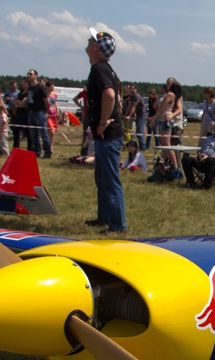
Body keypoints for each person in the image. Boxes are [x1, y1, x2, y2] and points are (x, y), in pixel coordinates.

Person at [85, 28, 126, 233]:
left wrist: (102, 122)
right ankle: (104, 217)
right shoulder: (104, 68)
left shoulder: (99, 69)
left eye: (91, 39)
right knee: (102, 179)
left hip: (108, 134)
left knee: (109, 180)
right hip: (106, 135)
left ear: (96, 47)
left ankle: (118, 224)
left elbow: (109, 96)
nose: (88, 40)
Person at [181, 118, 215, 189]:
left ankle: (206, 185)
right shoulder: (208, 138)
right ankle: (191, 182)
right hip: (202, 160)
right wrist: (198, 155)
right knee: (186, 159)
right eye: (214, 125)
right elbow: (201, 151)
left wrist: (208, 157)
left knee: (209, 160)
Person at [24, 69, 51, 158]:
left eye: (30, 74)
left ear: (36, 75)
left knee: (43, 134)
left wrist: (44, 112)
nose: (28, 75)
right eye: (28, 74)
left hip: (39, 113)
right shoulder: (29, 88)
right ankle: (37, 152)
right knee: (34, 135)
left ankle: (47, 153)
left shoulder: (40, 88)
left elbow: (47, 102)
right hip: (30, 113)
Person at [45, 81, 60, 154]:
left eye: (53, 87)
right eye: (51, 87)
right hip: (48, 115)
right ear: (47, 87)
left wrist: (57, 111)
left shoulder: (54, 94)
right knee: (51, 131)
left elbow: (55, 103)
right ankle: (48, 146)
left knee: (52, 132)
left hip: (53, 114)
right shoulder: (44, 94)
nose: (52, 88)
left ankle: (51, 146)